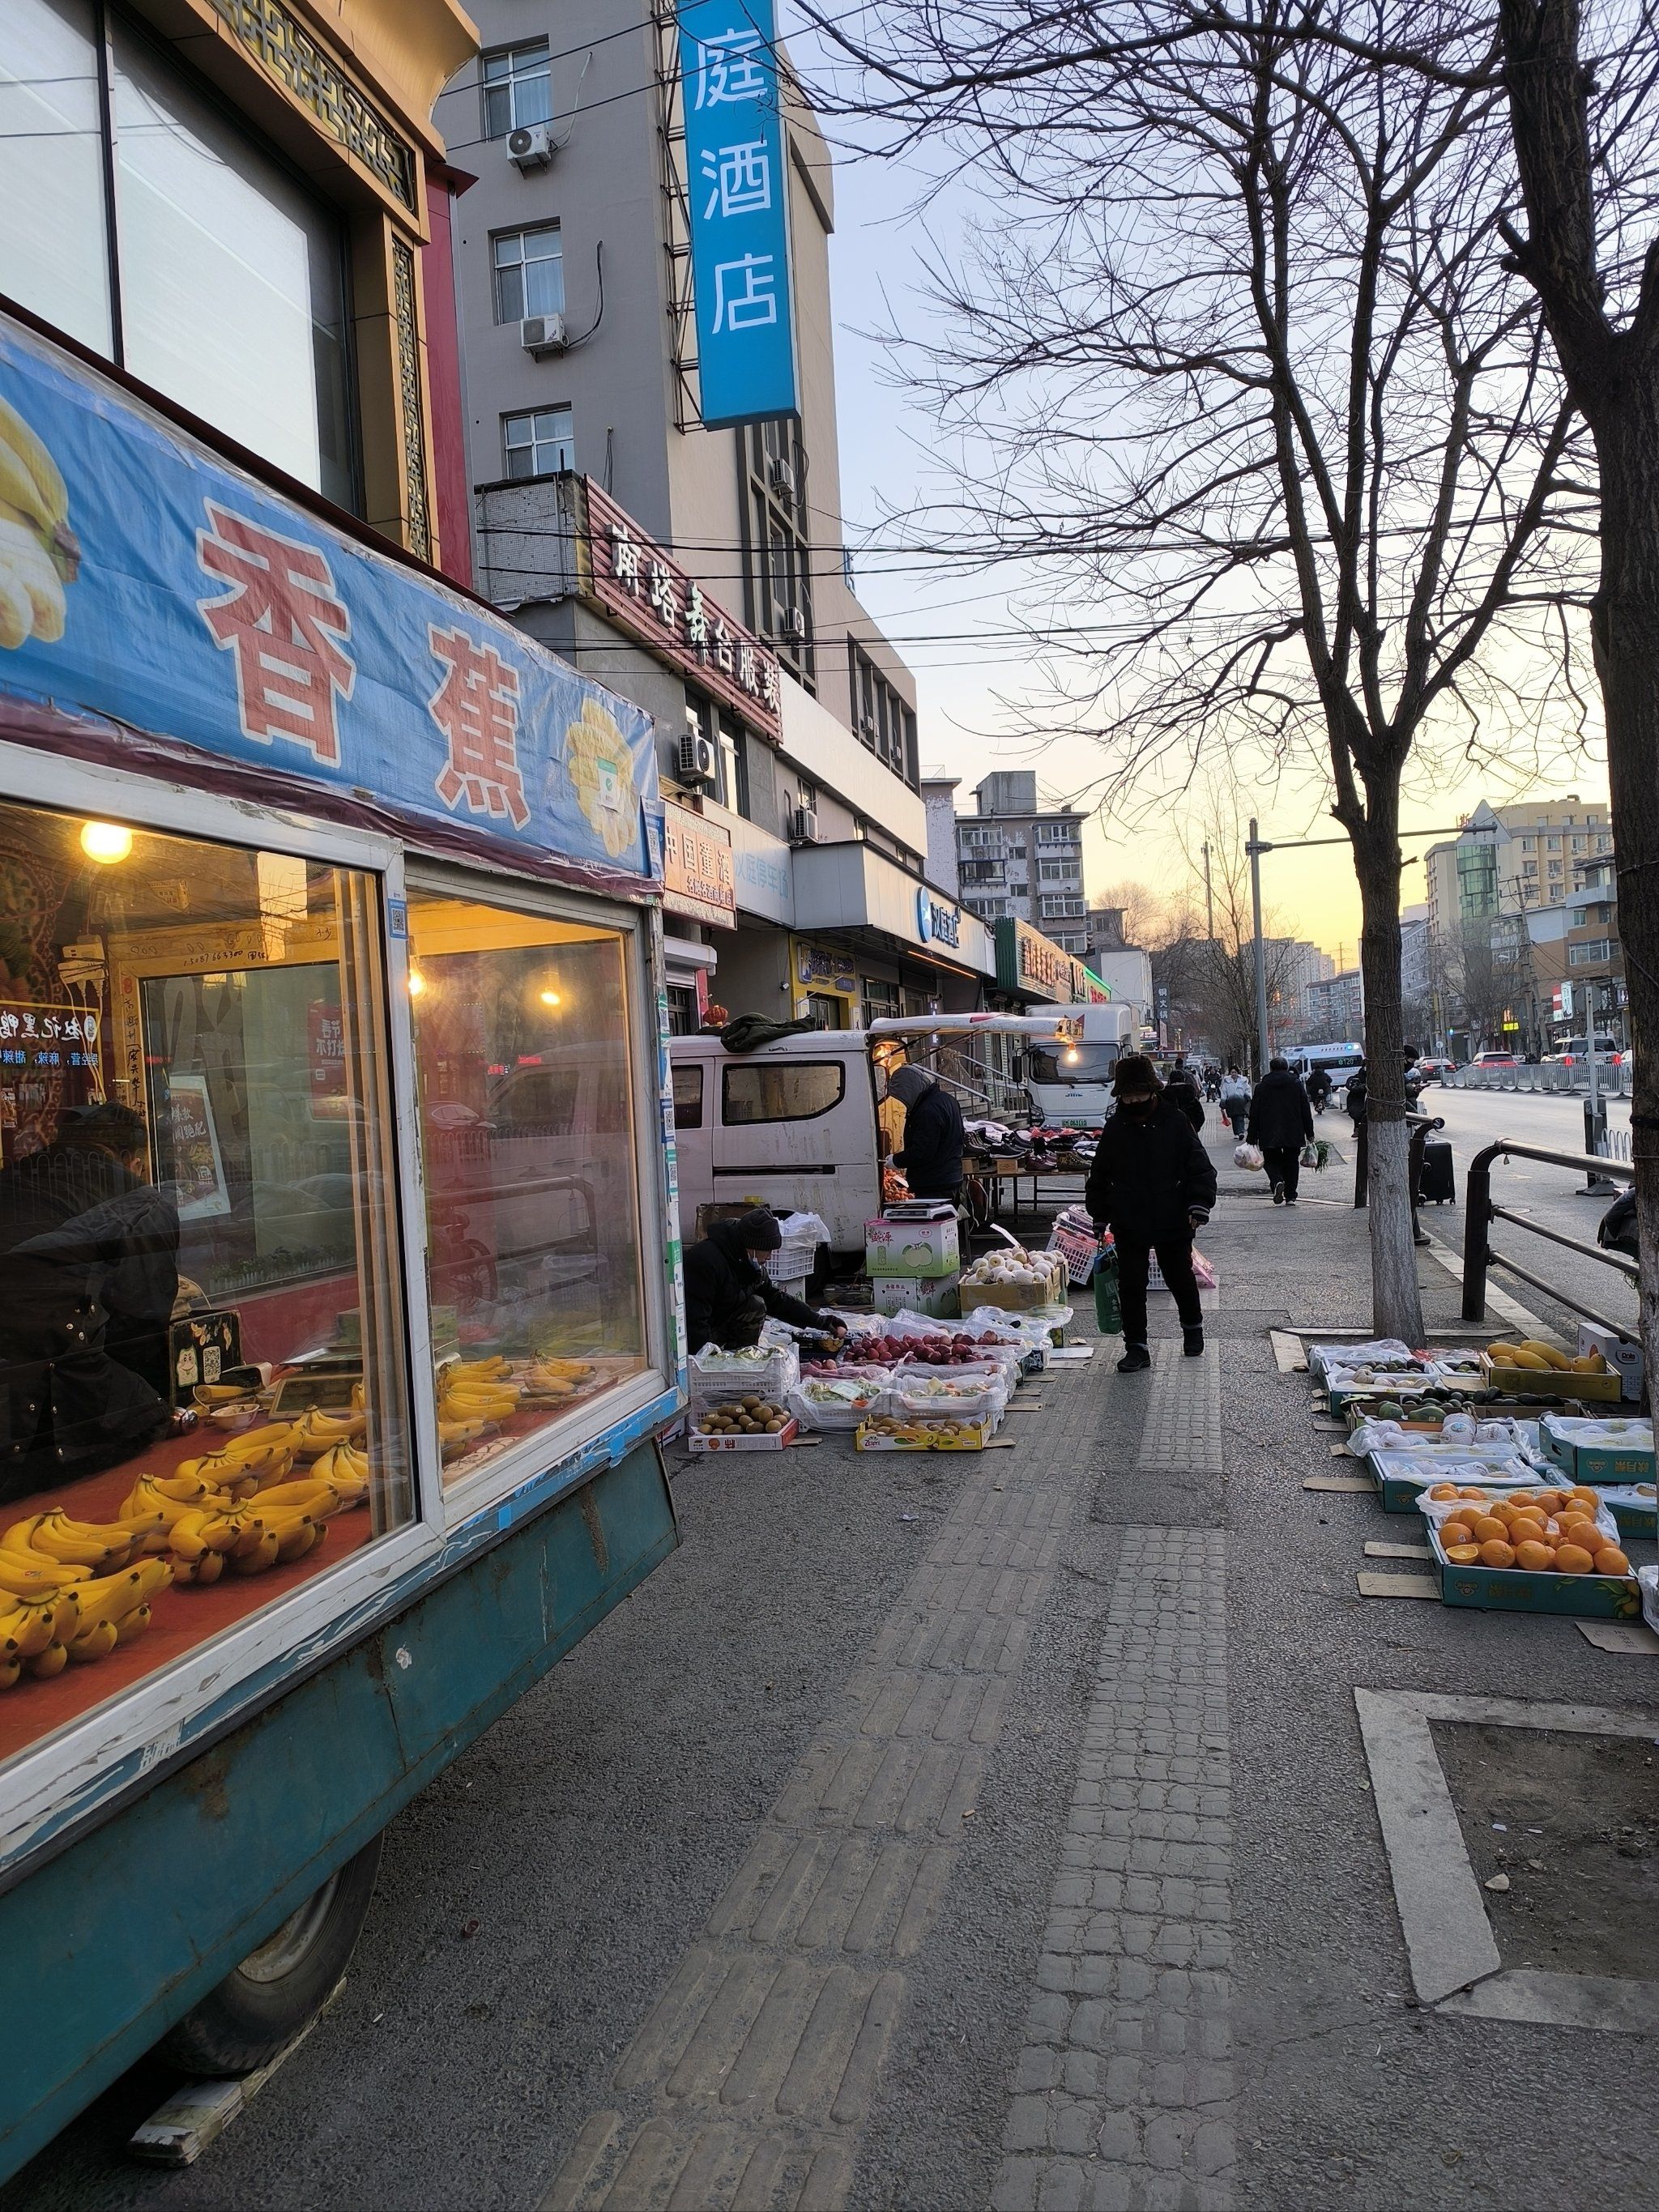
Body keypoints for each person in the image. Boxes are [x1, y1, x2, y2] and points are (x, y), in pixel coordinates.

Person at [0, 1100, 180, 1498]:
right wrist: (157, 1408)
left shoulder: (13, 1178)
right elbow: (141, 1320)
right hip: (51, 1402)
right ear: (130, 1158)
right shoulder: (140, 1201)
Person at [1085, 1055, 1216, 1371]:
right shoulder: (1116, 1126)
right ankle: (1137, 1348)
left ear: (1152, 1091)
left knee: (1179, 1277)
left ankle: (1193, 1330)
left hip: (1173, 1214)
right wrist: (1100, 1215)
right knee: (1131, 1285)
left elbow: (1200, 1166)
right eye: (1127, 1095)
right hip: (1130, 1217)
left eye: (1138, 1094)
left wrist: (1198, 1205)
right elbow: (1100, 1174)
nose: (1132, 1100)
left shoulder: (1175, 1120)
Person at [683, 1210, 843, 1353]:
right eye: (768, 1250)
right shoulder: (706, 1261)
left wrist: (821, 1321)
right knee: (754, 1304)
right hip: (696, 1336)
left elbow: (775, 1299)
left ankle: (741, 1358)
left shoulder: (751, 1265)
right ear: (752, 1246)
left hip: (721, 1322)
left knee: (756, 1304)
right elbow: (695, 1319)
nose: (770, 1257)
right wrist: (705, 1359)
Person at [885, 1063, 966, 1202]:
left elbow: (922, 1152)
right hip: (950, 1177)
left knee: (932, 1222)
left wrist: (896, 1160)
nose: (905, 1103)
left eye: (903, 1097)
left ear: (910, 1090)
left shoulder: (927, 1111)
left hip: (934, 1185)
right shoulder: (948, 1100)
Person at [1247, 1055, 1316, 1205]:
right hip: (1293, 1130)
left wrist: (1251, 1136)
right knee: (1292, 1162)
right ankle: (1291, 1196)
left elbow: (1255, 1113)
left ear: (1271, 1069)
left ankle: (1277, 1181)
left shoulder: (1261, 1087)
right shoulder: (1296, 1084)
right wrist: (1309, 1133)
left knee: (1271, 1161)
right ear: (1286, 1068)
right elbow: (1305, 1110)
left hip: (1268, 1131)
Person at [1163, 1055, 1205, 1132]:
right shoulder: (1192, 1098)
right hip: (1190, 1131)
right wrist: (1194, 1128)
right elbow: (1200, 1117)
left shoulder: (1165, 1098)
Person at [1219, 1065, 1252, 1137]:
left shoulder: (1243, 1081)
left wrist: (1247, 1097)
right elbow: (1224, 1092)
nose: (1233, 1074)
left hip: (1241, 1102)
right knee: (1234, 1118)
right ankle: (1236, 1133)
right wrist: (1223, 1102)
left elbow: (1247, 1089)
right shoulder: (1226, 1082)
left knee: (1240, 1117)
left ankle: (1241, 1132)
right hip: (1230, 1102)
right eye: (1232, 1072)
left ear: (1237, 1073)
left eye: (1235, 1072)